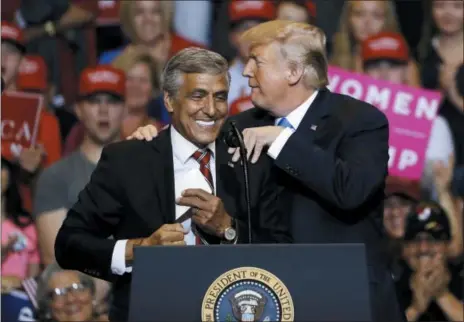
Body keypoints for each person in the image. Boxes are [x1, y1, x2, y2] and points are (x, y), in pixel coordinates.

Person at [129, 20, 404, 322]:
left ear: (293, 71)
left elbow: (351, 189)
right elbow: (185, 150)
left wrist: (283, 140)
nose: (246, 72)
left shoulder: (359, 120)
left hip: (349, 301)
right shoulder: (240, 125)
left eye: (256, 62)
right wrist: (151, 145)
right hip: (275, 301)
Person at [54, 47, 291, 321]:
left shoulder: (250, 162)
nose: (211, 110)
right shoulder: (128, 161)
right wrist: (139, 250)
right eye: (198, 96)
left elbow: (282, 251)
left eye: (220, 97)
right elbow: (69, 244)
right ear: (169, 100)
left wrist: (229, 229)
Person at [397, 200, 463, 321]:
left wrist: (441, 295)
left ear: (447, 245)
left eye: (433, 239)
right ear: (404, 248)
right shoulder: (389, 288)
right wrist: (415, 310)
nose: (424, 248)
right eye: (415, 240)